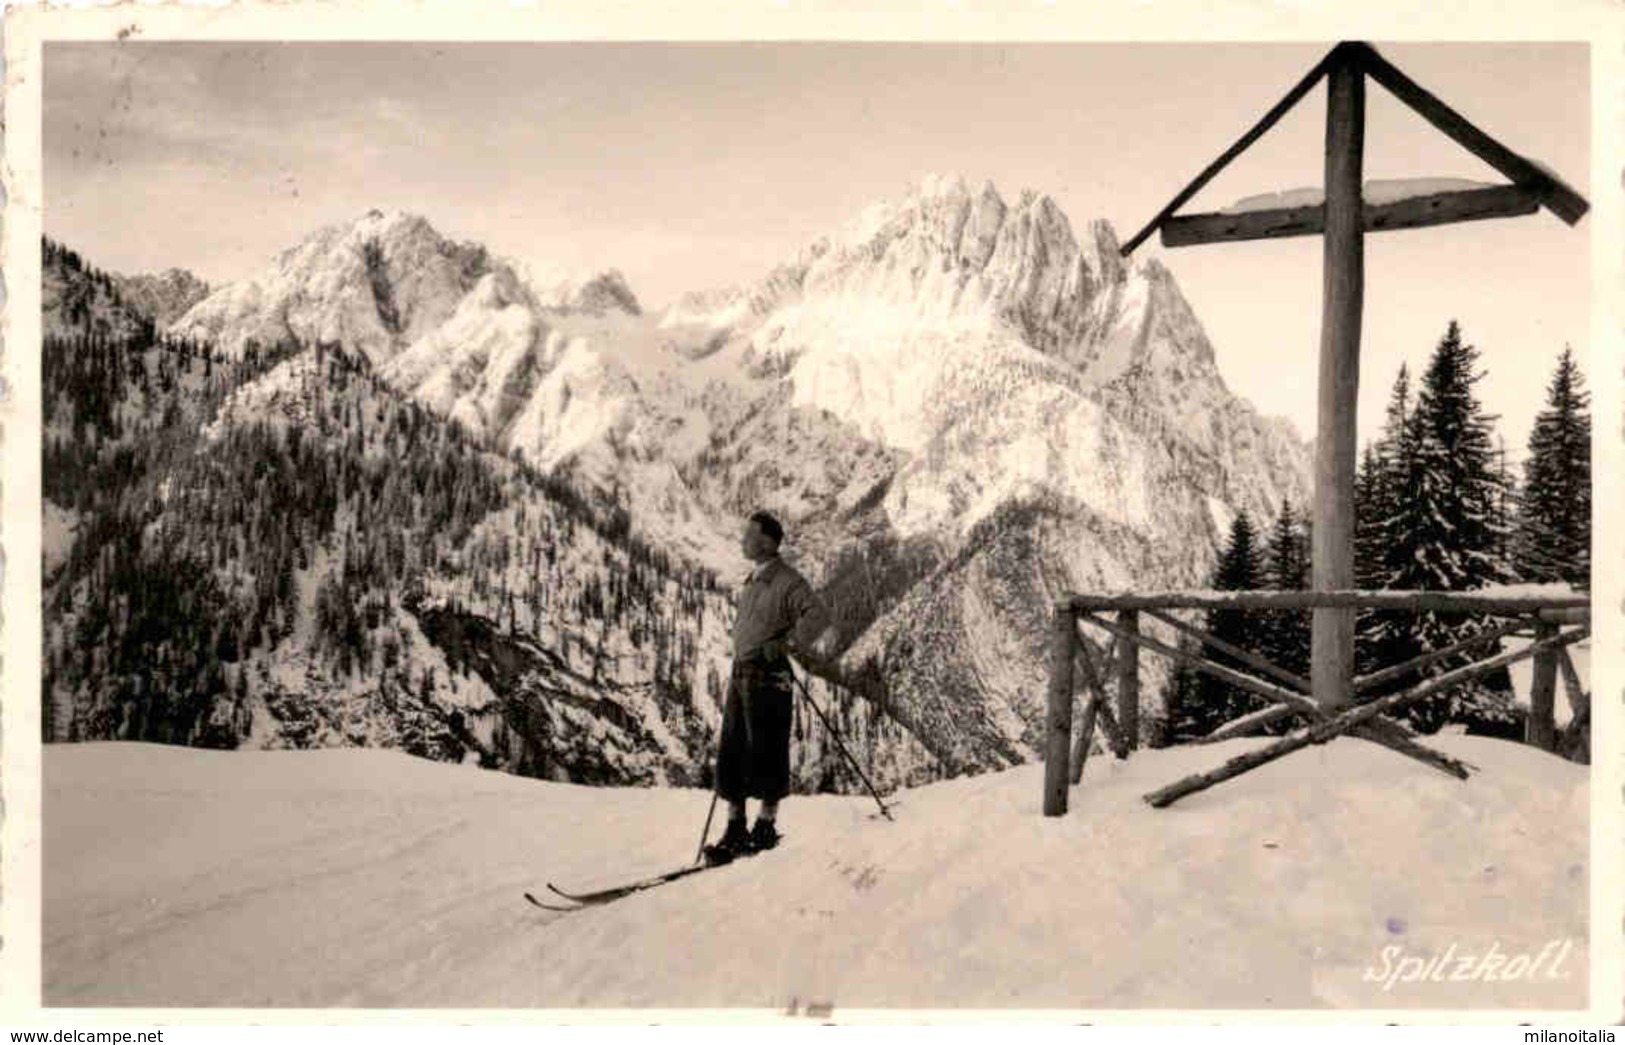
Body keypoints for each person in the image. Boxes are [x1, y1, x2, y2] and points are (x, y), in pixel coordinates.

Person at [707, 510, 838, 862]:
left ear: (767, 542)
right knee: (733, 747)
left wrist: (786, 644)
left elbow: (819, 616)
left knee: (766, 747)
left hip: (768, 675)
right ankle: (736, 828)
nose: (742, 541)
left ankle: (764, 826)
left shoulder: (787, 580)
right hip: (742, 672)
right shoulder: (756, 578)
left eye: (749, 536)